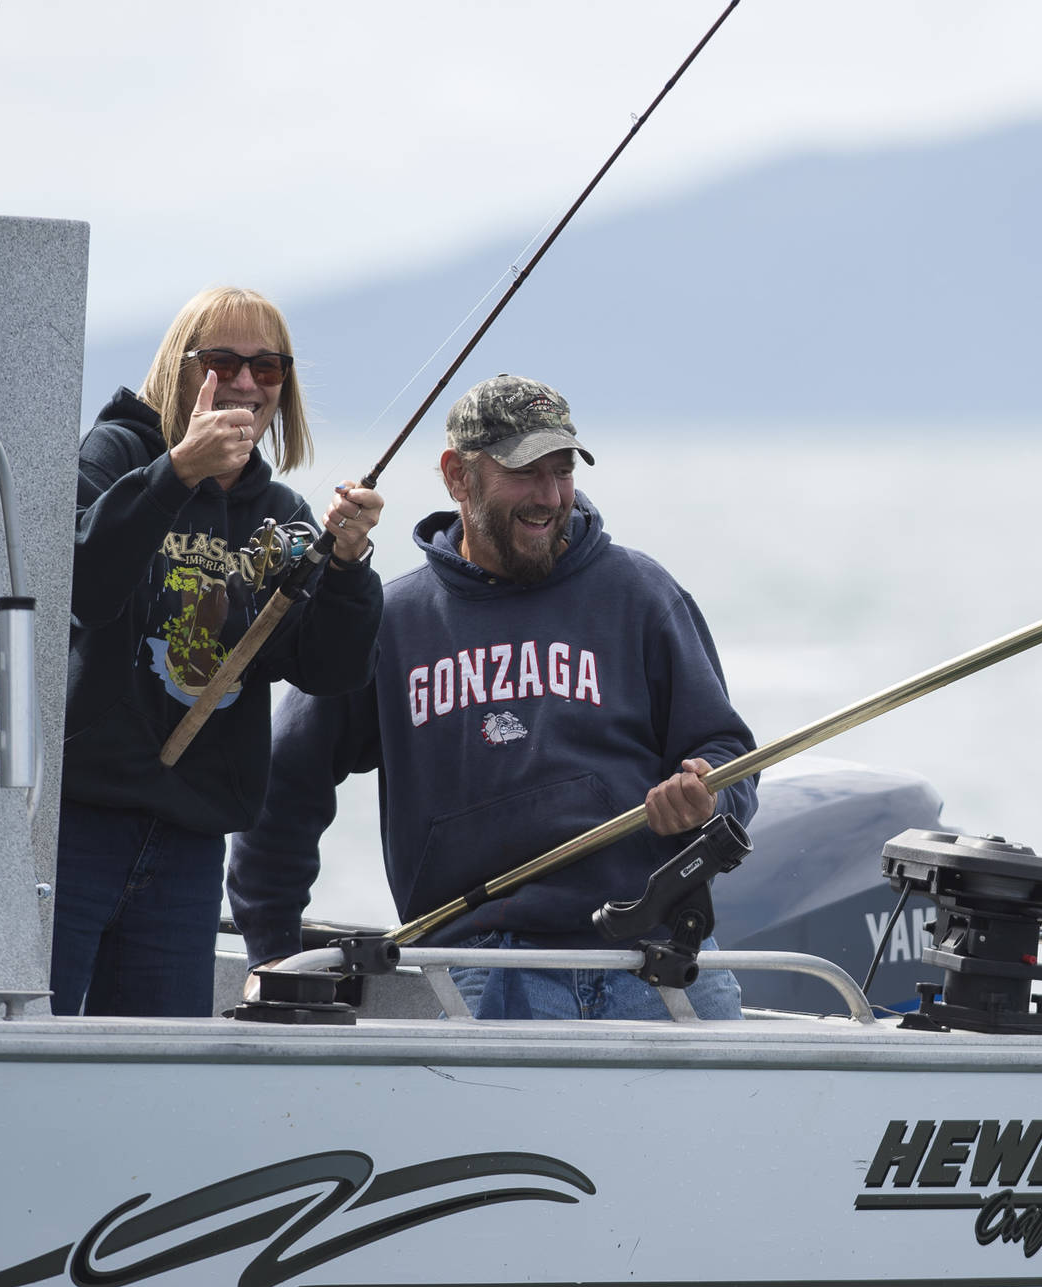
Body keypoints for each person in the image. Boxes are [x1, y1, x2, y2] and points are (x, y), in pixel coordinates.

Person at [227, 374, 757, 1020]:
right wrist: (274, 954)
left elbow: (727, 752)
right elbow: (282, 784)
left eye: (561, 471)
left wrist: (707, 798)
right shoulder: (391, 622)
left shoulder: (641, 593)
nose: (549, 496)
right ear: (458, 476)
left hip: (658, 955)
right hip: (480, 968)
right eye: (524, 472)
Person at [54, 286, 385, 1018]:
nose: (244, 383)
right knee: (37, 1044)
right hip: (76, 824)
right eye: (221, 362)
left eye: (266, 368)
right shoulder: (117, 453)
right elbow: (83, 585)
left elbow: (330, 670)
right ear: (180, 369)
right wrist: (177, 472)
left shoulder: (283, 517)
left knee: (157, 1066)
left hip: (191, 838)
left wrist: (349, 565)